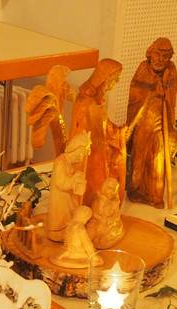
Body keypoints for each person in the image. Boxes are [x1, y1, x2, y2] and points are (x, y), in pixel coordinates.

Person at [126, 37, 177, 208]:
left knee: (158, 157)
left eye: (165, 56)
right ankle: (136, 190)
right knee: (139, 156)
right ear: (150, 54)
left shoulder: (171, 70)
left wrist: (166, 92)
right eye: (157, 55)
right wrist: (152, 90)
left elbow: (172, 92)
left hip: (160, 122)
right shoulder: (143, 68)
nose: (160, 60)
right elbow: (136, 90)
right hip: (143, 121)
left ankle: (155, 195)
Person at [70, 59, 125, 206]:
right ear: (104, 78)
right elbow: (89, 132)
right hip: (90, 154)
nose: (117, 81)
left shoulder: (100, 99)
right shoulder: (85, 101)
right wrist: (109, 143)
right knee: (94, 184)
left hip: (100, 151)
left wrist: (117, 131)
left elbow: (104, 124)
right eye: (114, 78)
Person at [45, 131, 90, 242]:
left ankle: (70, 230)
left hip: (68, 197)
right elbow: (61, 183)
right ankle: (57, 232)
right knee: (61, 218)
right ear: (75, 150)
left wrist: (79, 178)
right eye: (82, 153)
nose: (82, 157)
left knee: (72, 213)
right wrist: (74, 180)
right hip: (60, 198)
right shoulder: (60, 163)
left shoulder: (71, 163)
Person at [86, 178, 126, 249]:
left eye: (115, 190)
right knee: (92, 230)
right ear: (104, 188)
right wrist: (99, 218)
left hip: (109, 223)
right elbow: (94, 213)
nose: (112, 192)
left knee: (109, 230)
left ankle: (103, 239)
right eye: (110, 188)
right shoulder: (98, 199)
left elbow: (117, 215)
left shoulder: (114, 202)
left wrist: (111, 220)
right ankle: (97, 238)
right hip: (97, 222)